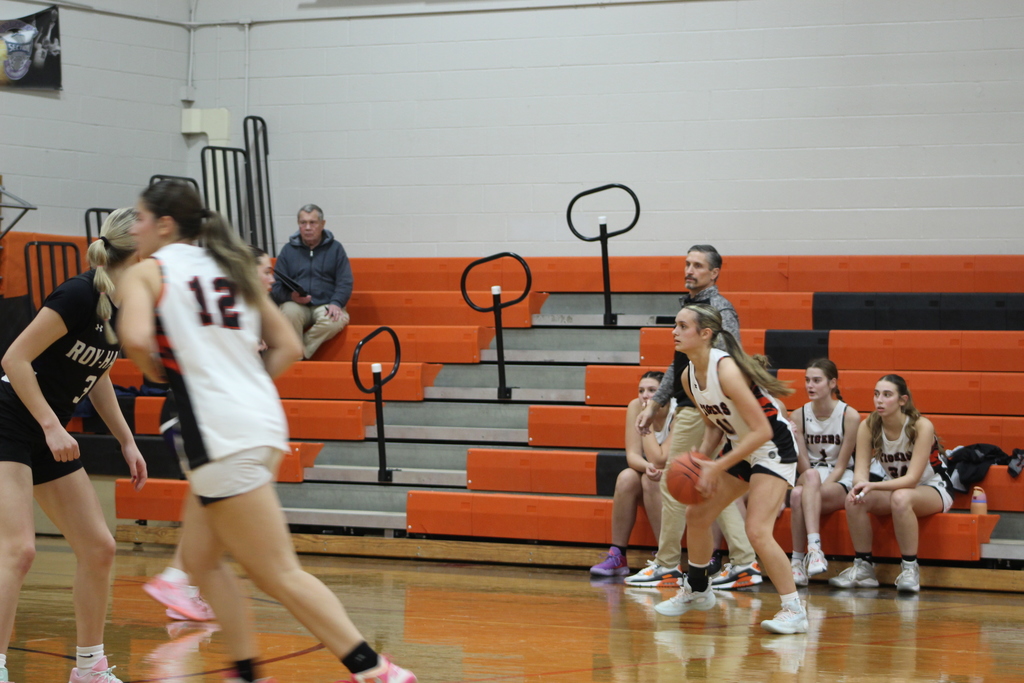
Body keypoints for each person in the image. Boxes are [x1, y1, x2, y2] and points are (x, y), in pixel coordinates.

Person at [118, 180, 415, 683]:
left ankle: (375, 669)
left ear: (165, 225)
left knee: (277, 572)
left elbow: (140, 343)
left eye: (141, 218)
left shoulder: (147, 272)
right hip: (262, 422)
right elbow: (288, 346)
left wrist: (163, 368)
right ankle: (247, 671)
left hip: (217, 432)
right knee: (203, 561)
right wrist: (242, 379)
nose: (135, 228)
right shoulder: (229, 268)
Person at [0, 208, 147, 683]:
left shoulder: (124, 302)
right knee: (19, 550)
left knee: (99, 547)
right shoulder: (80, 292)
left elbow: (96, 372)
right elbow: (15, 358)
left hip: (47, 428)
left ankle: (89, 669)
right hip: (10, 419)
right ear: (137, 249)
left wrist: (127, 441)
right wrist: (50, 424)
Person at [651, 304, 807, 635]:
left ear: (705, 334)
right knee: (697, 515)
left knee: (757, 530)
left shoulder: (727, 370)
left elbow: (763, 431)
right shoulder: (688, 375)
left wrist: (716, 465)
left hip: (773, 448)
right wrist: (700, 461)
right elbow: (713, 426)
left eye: (682, 325)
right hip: (740, 447)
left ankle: (794, 609)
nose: (674, 331)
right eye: (674, 325)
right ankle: (697, 590)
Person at [143, 245, 278, 621]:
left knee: (212, 506)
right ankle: (178, 580)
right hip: (191, 418)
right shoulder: (224, 315)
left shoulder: (242, 315)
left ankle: (181, 583)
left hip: (213, 423)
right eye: (265, 271)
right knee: (217, 506)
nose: (270, 278)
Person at [627, 245, 760, 590]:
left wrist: (714, 400)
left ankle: (667, 564)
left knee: (677, 479)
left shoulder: (720, 309)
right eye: (687, 263)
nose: (689, 270)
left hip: (703, 404)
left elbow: (732, 356)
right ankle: (744, 561)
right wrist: (656, 402)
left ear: (714, 272)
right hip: (692, 401)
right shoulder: (688, 307)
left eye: (698, 265)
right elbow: (678, 364)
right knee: (702, 484)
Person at [829, 375, 952, 593]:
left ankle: (910, 569)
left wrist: (873, 486)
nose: (879, 400)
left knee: (901, 497)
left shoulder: (921, 426)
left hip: (933, 487)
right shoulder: (868, 425)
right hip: (894, 487)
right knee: (855, 499)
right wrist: (860, 487)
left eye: (887, 395)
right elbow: (860, 473)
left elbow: (912, 479)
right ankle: (864, 567)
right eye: (876, 394)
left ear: (902, 400)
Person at [590, 371, 674, 576]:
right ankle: (618, 555)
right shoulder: (635, 407)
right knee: (627, 477)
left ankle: (666, 559)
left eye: (652, 390)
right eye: (641, 391)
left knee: (650, 480)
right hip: (656, 473)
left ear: (665, 394)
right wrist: (648, 468)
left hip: (681, 473)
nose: (645, 395)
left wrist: (646, 421)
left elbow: (661, 459)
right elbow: (634, 456)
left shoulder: (679, 410)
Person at [788, 359, 861, 586]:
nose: (810, 385)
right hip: (808, 474)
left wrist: (818, 487)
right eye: (807, 380)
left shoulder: (850, 415)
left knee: (799, 496)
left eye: (817, 381)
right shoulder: (798, 415)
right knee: (809, 477)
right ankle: (814, 549)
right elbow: (802, 465)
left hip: (839, 477)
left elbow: (841, 465)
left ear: (832, 383)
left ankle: (797, 562)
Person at [271, 204, 352, 359]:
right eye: (303, 223)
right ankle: (295, 356)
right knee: (287, 312)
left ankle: (299, 353)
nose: (307, 227)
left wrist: (336, 303)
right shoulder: (288, 250)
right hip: (297, 304)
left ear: (322, 224)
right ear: (298, 225)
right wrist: (291, 297)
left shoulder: (336, 249)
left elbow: (345, 282)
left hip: (326, 304)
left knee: (335, 320)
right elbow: (275, 286)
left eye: (312, 223)